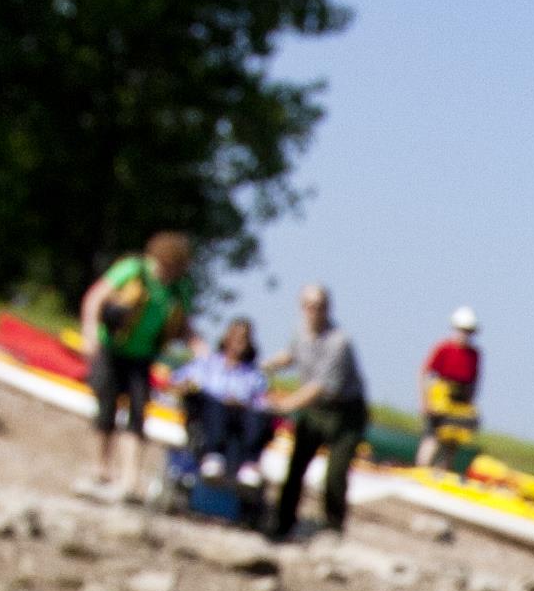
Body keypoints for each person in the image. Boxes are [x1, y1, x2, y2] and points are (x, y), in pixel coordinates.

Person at [75, 227, 193, 498]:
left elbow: (184, 326)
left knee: (138, 413)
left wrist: (200, 350)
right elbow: (95, 298)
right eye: (167, 267)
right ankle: (100, 468)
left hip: (142, 356)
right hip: (111, 348)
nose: (168, 274)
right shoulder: (132, 269)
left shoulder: (179, 288)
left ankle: (130, 478)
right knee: (106, 405)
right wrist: (90, 332)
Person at [270, 281, 369, 539]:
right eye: (309, 305)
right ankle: (283, 522)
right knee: (296, 467)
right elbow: (290, 356)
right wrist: (261, 367)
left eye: (320, 306)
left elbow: (321, 387)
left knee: (335, 474)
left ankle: (333, 527)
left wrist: (283, 405)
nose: (314, 311)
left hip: (344, 412)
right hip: (314, 409)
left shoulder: (340, 342)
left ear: (328, 308)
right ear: (302, 307)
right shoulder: (300, 332)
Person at [174, 313, 279, 508]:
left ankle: (249, 465)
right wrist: (186, 387)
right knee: (215, 404)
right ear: (226, 338)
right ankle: (212, 456)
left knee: (258, 414)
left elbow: (262, 400)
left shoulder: (254, 375)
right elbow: (180, 382)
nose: (240, 341)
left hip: (241, 421)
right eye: (236, 336)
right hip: (209, 417)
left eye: (245, 338)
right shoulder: (208, 363)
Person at [424, 304, 486, 475]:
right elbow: (426, 373)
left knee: (454, 439)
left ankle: (444, 471)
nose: (464, 335)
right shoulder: (444, 348)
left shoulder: (474, 355)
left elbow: (475, 380)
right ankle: (422, 468)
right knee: (433, 436)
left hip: (461, 402)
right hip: (440, 398)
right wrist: (426, 401)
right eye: (462, 330)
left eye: (468, 331)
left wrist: (470, 402)